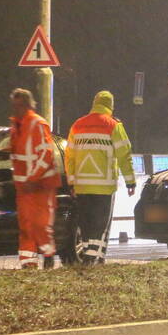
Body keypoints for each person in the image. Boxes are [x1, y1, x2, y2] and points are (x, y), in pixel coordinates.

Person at [65, 90, 136, 264]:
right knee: (100, 222)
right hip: (104, 185)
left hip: (82, 184)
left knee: (86, 221)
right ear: (110, 106)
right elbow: (124, 155)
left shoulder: (77, 125)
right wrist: (130, 181)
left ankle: (92, 254)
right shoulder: (113, 125)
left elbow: (69, 156)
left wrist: (71, 181)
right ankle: (93, 255)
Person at [8, 88, 60, 269]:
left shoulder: (37, 123)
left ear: (28, 105)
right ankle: (28, 263)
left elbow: (46, 153)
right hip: (24, 185)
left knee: (40, 224)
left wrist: (33, 178)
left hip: (41, 185)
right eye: (14, 105)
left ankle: (48, 253)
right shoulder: (15, 126)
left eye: (19, 105)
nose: (16, 109)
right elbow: (19, 152)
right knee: (25, 225)